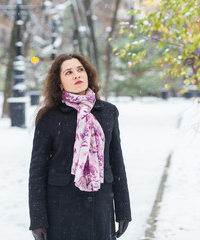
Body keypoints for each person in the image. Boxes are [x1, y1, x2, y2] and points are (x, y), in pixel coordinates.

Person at [29, 53, 132, 240]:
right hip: (61, 208)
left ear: (88, 75)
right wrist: (38, 220)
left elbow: (116, 162)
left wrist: (123, 209)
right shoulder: (49, 117)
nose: (77, 75)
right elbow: (37, 171)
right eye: (68, 72)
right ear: (59, 83)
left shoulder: (108, 112)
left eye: (80, 70)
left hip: (100, 206)